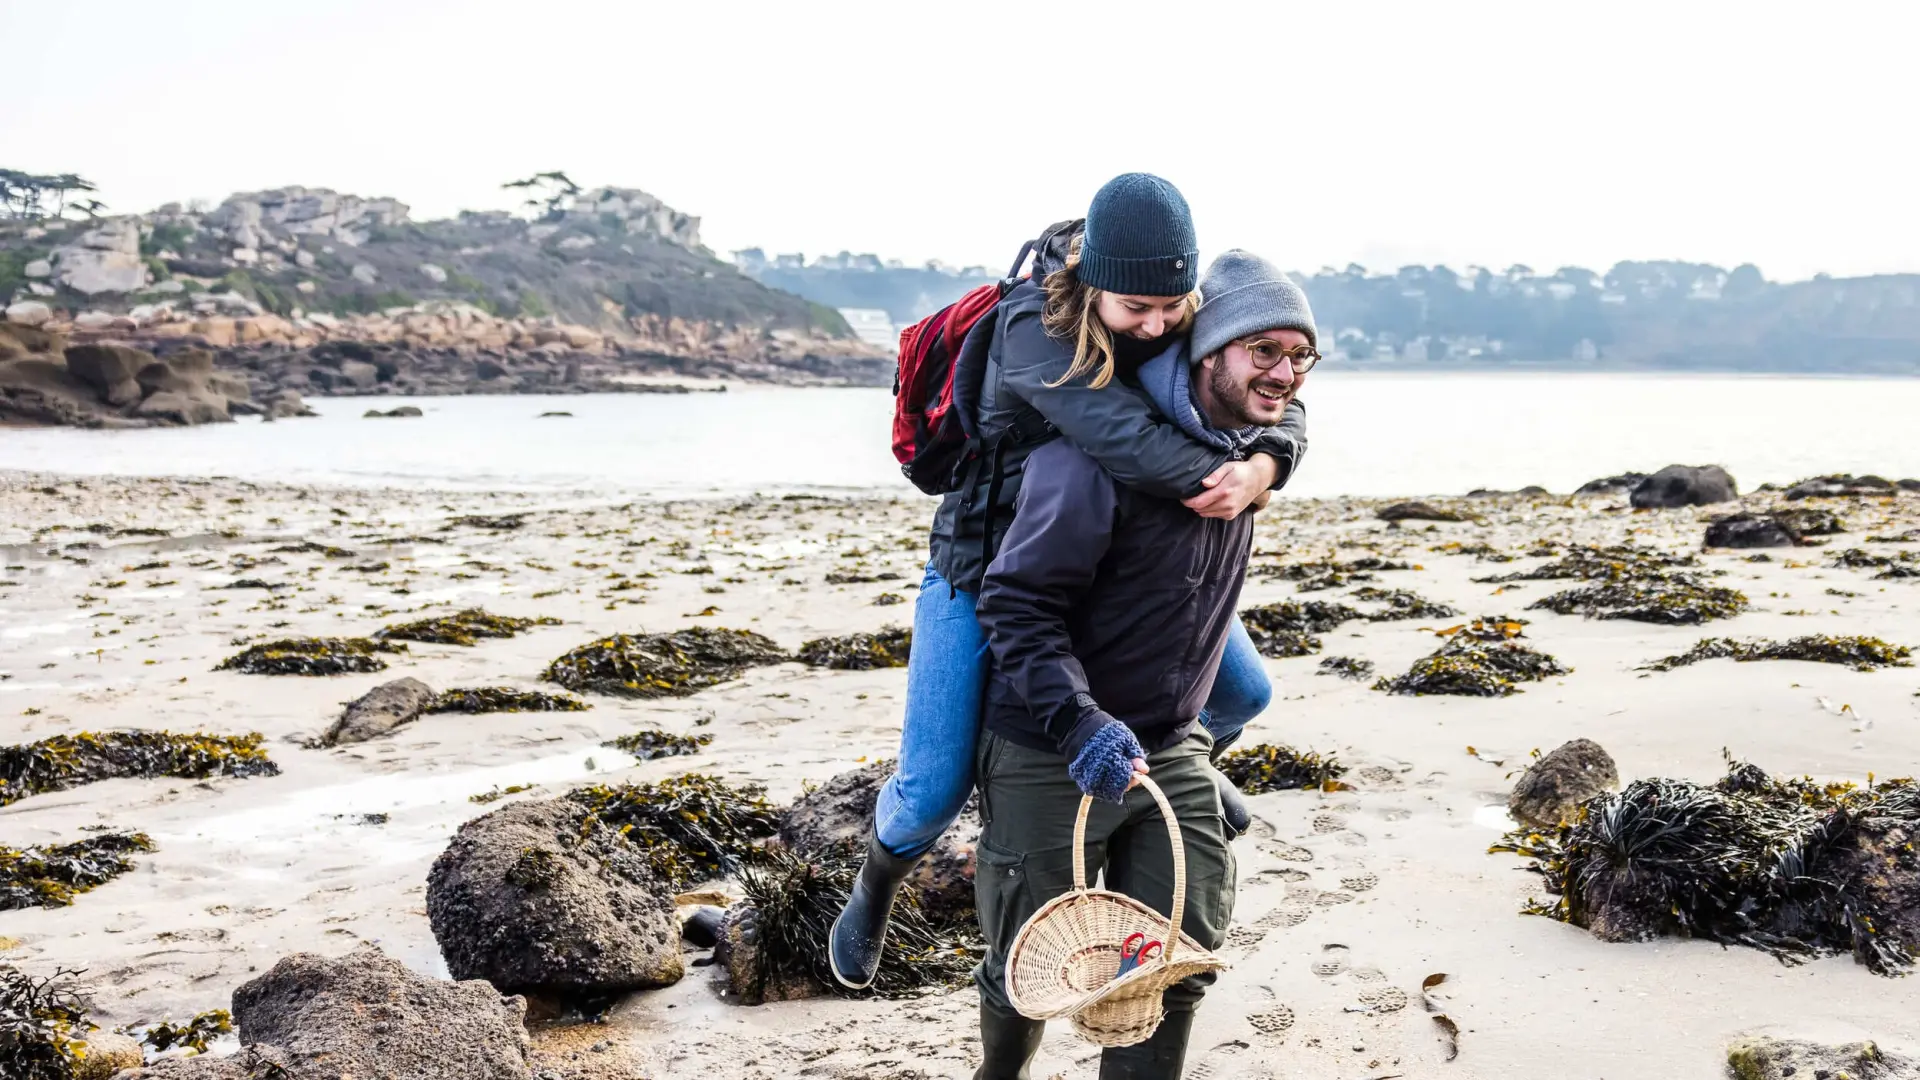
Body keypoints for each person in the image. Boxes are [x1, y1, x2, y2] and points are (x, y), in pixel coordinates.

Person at [830, 175, 1309, 990]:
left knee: (1243, 694)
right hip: (985, 568)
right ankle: (874, 887)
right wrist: (1232, 478)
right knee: (931, 793)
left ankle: (1175, 767)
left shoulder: (1178, 313)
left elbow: (1276, 391)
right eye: (1135, 309)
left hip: (1120, 564)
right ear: (1093, 285)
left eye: (1173, 307)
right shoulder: (1033, 329)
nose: (1156, 325)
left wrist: (1268, 459)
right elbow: (1124, 440)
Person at [970, 249, 1320, 1078]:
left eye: (1301, 355)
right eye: (1263, 350)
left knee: (1177, 961)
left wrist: (1267, 462)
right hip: (1049, 749)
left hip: (1171, 746)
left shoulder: (1249, 456)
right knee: (1027, 966)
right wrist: (1079, 722)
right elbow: (1015, 606)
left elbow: (1291, 424)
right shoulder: (1085, 463)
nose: (1284, 373)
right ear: (1207, 349)